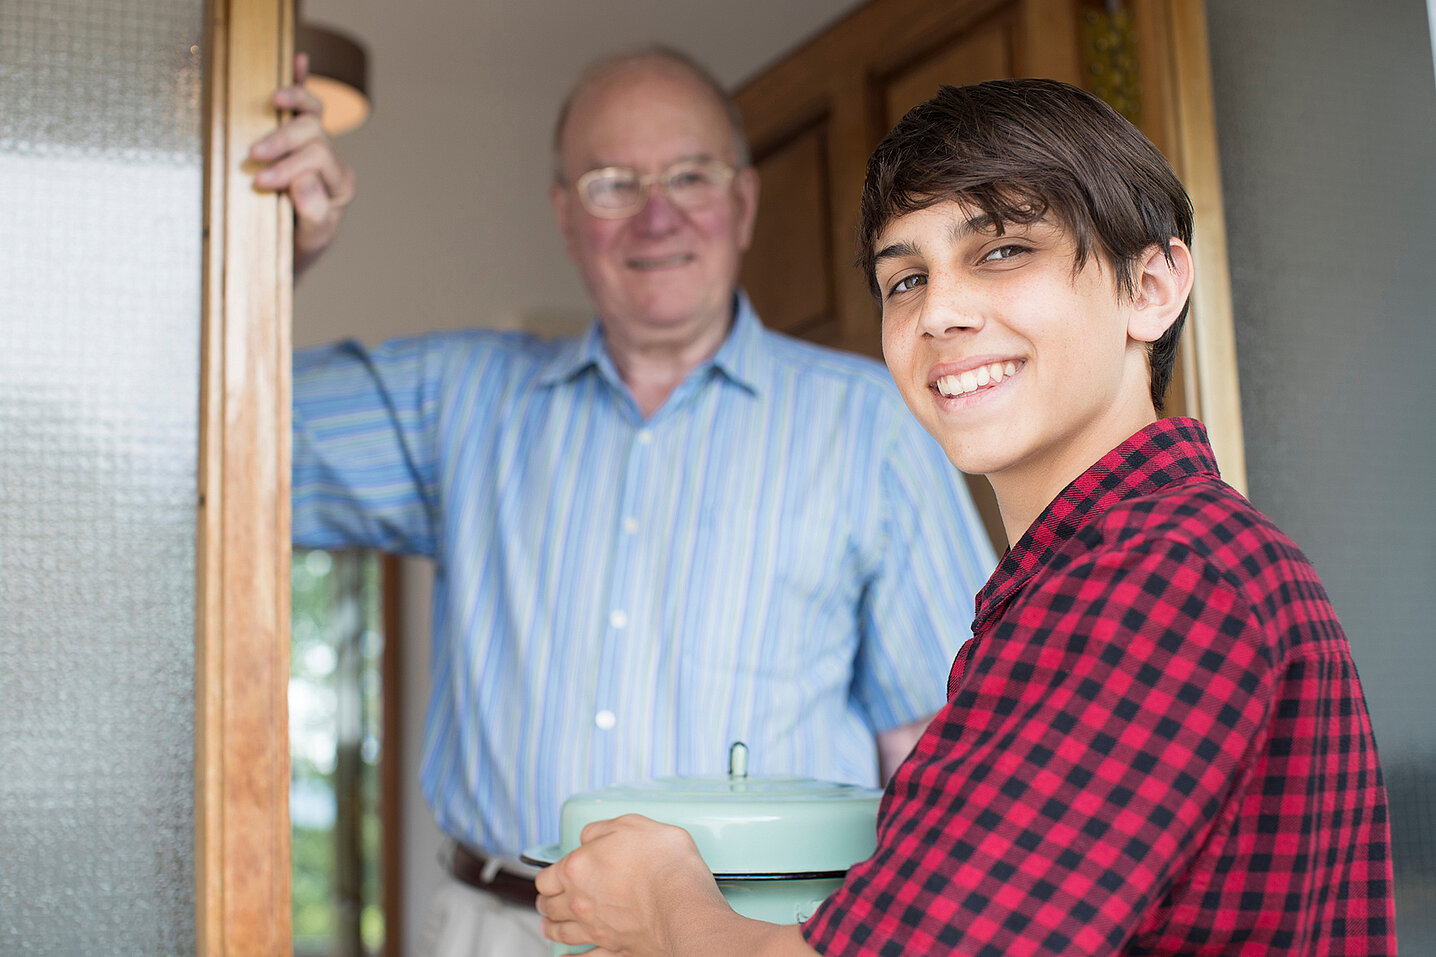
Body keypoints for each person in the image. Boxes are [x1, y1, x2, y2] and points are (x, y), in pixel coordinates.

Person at [534, 77, 1397, 956]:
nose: (937, 312)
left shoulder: (1159, 578)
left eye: (1002, 250)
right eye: (904, 278)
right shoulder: (1118, 570)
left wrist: (664, 901)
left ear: (1151, 285)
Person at [249, 47, 996, 956]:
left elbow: (937, 745)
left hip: (752, 938)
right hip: (494, 929)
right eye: (612, 183)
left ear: (745, 202)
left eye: (690, 175)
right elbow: (204, 446)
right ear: (565, 215)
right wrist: (263, 262)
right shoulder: (456, 397)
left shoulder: (876, 419)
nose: (656, 214)